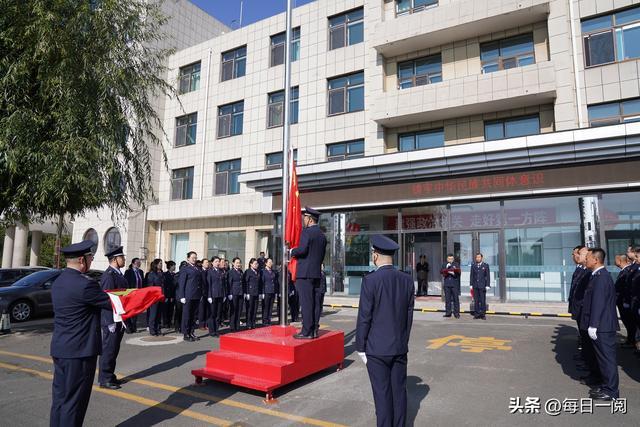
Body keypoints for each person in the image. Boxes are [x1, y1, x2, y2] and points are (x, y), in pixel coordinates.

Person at [50, 240, 114, 427]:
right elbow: (112, 303)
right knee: (75, 403)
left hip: (61, 348)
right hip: (80, 352)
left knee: (60, 400)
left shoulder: (59, 281)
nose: (92, 260)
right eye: (90, 257)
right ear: (81, 260)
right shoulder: (85, 285)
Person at [356, 235, 415, 427]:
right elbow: (408, 317)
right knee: (399, 393)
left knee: (382, 395)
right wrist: (403, 341)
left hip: (377, 349)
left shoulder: (370, 281)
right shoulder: (406, 280)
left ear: (375, 255)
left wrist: (360, 347)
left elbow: (365, 317)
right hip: (399, 346)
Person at [582, 248, 620, 401]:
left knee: (607, 360)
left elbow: (598, 303)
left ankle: (611, 391)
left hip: (603, 326)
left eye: (588, 257)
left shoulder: (601, 277)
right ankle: (606, 385)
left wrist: (594, 325)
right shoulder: (597, 276)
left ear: (596, 260)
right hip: (602, 325)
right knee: (603, 359)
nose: (586, 260)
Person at [290, 206, 327, 339]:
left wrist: (292, 251)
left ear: (310, 219)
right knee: (316, 303)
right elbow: (322, 255)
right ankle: (314, 330)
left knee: (306, 303)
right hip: (316, 273)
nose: (303, 220)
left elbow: (302, 250)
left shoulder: (307, 233)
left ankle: (306, 331)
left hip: (305, 273)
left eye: (305, 217)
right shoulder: (322, 235)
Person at [98, 246, 127, 390]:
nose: (124, 259)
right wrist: (110, 321)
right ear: (115, 259)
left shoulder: (118, 274)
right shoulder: (109, 276)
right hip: (111, 319)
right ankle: (105, 378)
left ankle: (110, 374)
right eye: (122, 257)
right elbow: (107, 299)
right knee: (109, 349)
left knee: (114, 348)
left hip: (118, 317)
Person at [177, 251, 204, 342]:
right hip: (188, 295)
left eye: (195, 257)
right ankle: (186, 333)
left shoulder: (197, 268)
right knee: (187, 315)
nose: (194, 259)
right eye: (193, 257)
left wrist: (200, 294)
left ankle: (191, 332)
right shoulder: (185, 268)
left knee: (193, 316)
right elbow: (182, 283)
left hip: (196, 295)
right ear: (188, 258)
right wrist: (182, 296)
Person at [614, 254, 635, 347]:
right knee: (627, 322)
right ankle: (631, 340)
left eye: (616, 259)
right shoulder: (623, 271)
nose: (614, 261)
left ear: (620, 260)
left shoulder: (627, 271)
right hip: (621, 301)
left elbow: (626, 288)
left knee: (630, 322)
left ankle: (632, 341)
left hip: (624, 301)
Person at [206, 256, 226, 337]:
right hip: (213, 295)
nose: (218, 263)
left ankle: (216, 330)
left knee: (218, 314)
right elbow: (209, 284)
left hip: (220, 294)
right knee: (212, 314)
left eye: (218, 261)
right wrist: (209, 296)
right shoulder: (210, 271)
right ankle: (212, 331)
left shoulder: (221, 271)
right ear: (212, 263)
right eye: (216, 261)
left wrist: (224, 294)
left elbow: (223, 284)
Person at [123, 257, 144, 332]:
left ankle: (134, 327)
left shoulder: (141, 272)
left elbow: (142, 283)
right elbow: (126, 283)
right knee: (129, 311)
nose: (139, 264)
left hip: (138, 295)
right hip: (130, 295)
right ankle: (128, 327)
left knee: (136, 312)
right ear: (133, 264)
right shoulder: (128, 272)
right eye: (137, 262)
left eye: (139, 262)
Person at [145, 258, 164, 336]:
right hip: (154, 297)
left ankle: (158, 329)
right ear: (156, 264)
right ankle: (152, 330)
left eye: (161, 263)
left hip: (161, 296)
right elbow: (150, 286)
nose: (161, 265)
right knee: (153, 314)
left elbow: (163, 285)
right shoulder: (151, 274)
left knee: (159, 314)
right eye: (160, 263)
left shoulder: (162, 273)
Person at [469, 253, 490, 319]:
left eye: (479, 257)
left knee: (483, 300)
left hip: (482, 286)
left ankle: (483, 314)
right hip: (475, 286)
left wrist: (487, 285)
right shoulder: (473, 265)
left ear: (481, 258)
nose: (477, 258)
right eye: (476, 257)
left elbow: (488, 276)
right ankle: (477, 314)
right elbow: (471, 276)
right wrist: (471, 284)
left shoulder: (485, 265)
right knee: (476, 301)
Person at [243, 258, 262, 329]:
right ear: (251, 264)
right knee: (249, 309)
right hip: (250, 293)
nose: (256, 265)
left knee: (255, 309)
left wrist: (260, 293)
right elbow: (245, 283)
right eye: (255, 264)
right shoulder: (248, 271)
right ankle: (248, 323)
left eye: (257, 264)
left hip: (256, 293)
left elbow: (260, 283)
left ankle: (253, 323)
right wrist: (246, 292)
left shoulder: (258, 272)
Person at [441, 254, 461, 318]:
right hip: (447, 284)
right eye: (449, 259)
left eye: (451, 259)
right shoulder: (444, 264)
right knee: (447, 299)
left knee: (456, 299)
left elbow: (459, 273)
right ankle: (448, 312)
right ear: (447, 259)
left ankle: (456, 313)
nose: (450, 260)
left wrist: (454, 273)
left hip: (454, 284)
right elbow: (441, 271)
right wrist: (446, 268)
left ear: (453, 259)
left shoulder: (456, 264)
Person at [228, 257, 245, 331]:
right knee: (233, 310)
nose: (238, 264)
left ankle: (237, 326)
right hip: (234, 293)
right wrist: (230, 293)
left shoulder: (241, 271)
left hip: (240, 293)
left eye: (239, 263)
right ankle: (232, 327)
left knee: (239, 310)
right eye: (237, 263)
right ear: (233, 263)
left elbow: (243, 282)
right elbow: (229, 283)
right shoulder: (231, 272)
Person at [261, 258, 279, 326]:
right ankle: (265, 320)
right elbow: (262, 282)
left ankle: (269, 319)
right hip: (266, 291)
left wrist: (276, 291)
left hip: (272, 291)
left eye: (271, 262)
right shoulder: (263, 271)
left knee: (271, 306)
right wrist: (262, 292)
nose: (271, 263)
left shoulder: (273, 271)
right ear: (266, 263)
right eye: (269, 262)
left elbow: (276, 282)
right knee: (266, 306)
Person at [163, 261, 177, 329]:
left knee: (171, 310)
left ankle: (169, 322)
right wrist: (166, 296)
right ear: (170, 266)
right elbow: (164, 286)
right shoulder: (165, 274)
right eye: (173, 265)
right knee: (165, 310)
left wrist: (172, 296)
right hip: (166, 295)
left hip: (172, 295)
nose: (174, 267)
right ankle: (165, 323)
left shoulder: (175, 275)